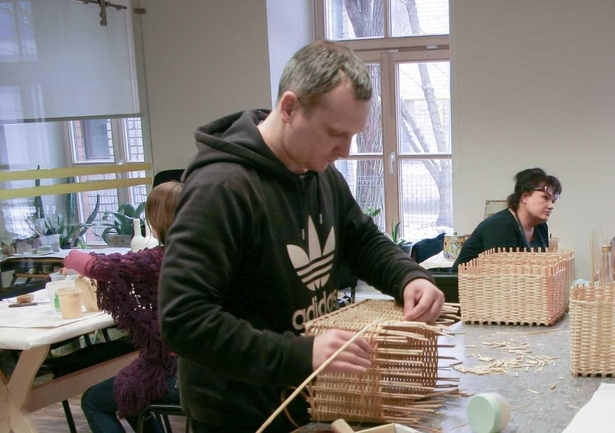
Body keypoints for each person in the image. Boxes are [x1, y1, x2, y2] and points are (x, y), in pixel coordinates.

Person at [158, 40, 445, 433]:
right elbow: (184, 319)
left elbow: (362, 240)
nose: (345, 150)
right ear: (290, 108)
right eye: (335, 133)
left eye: (353, 135)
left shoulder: (320, 173)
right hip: (239, 412)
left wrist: (408, 276)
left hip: (304, 398)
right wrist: (300, 354)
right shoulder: (221, 188)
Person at [62, 181, 183, 433]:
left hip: (175, 374)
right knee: (132, 397)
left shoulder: (159, 259)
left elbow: (96, 266)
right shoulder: (206, 254)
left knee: (93, 402)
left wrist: (69, 257)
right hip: (209, 372)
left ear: (157, 220)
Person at [452, 168, 562, 271]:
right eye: (545, 198)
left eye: (553, 201)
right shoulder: (500, 225)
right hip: (466, 284)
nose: (551, 206)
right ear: (525, 197)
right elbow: (502, 276)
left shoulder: (541, 227)